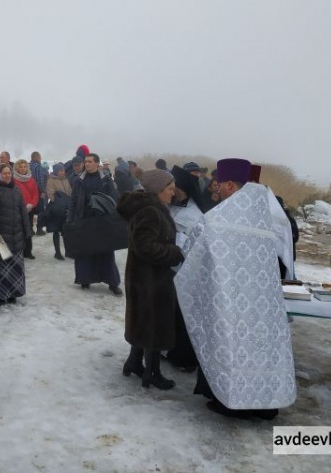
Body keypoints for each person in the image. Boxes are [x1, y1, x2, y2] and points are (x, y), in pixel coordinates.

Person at [175, 158, 296, 419]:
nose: (215, 189)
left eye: (219, 185)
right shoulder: (270, 211)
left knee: (230, 346)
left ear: (230, 184)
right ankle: (267, 405)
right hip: (264, 300)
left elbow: (192, 248)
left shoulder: (219, 216)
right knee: (262, 348)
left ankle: (230, 402)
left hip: (229, 298)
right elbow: (287, 248)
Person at [117, 169, 183, 390]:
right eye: (170, 189)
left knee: (144, 322)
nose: (173, 193)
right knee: (154, 324)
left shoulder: (149, 208)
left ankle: (134, 362)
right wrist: (175, 252)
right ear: (158, 190)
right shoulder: (151, 212)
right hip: (150, 280)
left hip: (144, 278)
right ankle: (152, 372)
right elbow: (146, 247)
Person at [164, 165, 207, 372]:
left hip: (185, 271)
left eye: (175, 187)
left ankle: (183, 357)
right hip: (166, 268)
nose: (172, 191)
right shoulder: (170, 206)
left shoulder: (195, 215)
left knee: (182, 316)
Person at [68, 153, 122, 296]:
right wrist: (70, 220)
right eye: (86, 162)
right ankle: (85, 279)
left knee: (106, 252)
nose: (87, 164)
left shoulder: (106, 179)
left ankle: (113, 283)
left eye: (90, 161)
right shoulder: (78, 180)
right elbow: (73, 201)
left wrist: (114, 217)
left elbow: (114, 198)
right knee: (85, 251)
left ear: (97, 164)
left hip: (102, 220)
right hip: (84, 219)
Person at [0, 163, 31, 304]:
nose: (7, 175)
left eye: (9, 173)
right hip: (0, 235)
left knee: (15, 267)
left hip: (16, 234)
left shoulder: (16, 190)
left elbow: (22, 210)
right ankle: (0, 295)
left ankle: (14, 293)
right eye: (4, 173)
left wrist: (27, 230)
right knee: (1, 267)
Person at [12, 159, 40, 260]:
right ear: (17, 168)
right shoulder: (13, 180)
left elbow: (35, 194)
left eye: (24, 166)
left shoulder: (31, 179)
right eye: (21, 167)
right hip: (18, 209)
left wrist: (32, 204)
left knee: (28, 230)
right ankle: (20, 251)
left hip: (29, 210)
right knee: (20, 231)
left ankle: (28, 251)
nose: (23, 169)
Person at [45, 163, 72, 260]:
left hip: (66, 208)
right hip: (56, 209)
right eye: (60, 170)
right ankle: (57, 252)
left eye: (63, 170)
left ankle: (68, 251)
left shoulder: (65, 179)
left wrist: (68, 201)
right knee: (56, 230)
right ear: (56, 171)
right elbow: (50, 193)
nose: (62, 172)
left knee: (65, 230)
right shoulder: (51, 180)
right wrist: (58, 202)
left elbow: (69, 191)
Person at [29, 152, 48, 236]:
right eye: (40, 157)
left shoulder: (28, 165)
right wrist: (43, 191)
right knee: (40, 211)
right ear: (36, 158)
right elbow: (40, 180)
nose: (40, 159)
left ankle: (30, 229)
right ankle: (39, 229)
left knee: (31, 210)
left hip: (29, 191)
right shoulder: (38, 167)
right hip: (37, 191)